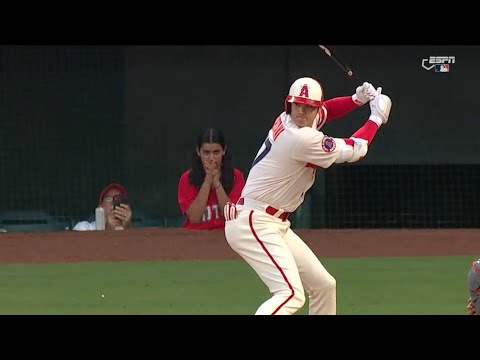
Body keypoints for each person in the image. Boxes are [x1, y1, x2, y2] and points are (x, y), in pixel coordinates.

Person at [223, 76, 392, 315]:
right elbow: (357, 149)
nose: (302, 110)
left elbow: (327, 111)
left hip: (272, 221)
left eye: (308, 106)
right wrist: (376, 118)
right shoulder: (301, 138)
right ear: (288, 104)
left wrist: (356, 99)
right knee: (290, 294)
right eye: (297, 104)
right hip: (255, 221)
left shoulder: (291, 121)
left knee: (324, 285)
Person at [177, 128, 246, 230]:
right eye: (206, 153)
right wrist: (207, 182)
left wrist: (217, 184)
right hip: (195, 237)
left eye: (216, 152)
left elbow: (231, 216)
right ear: (198, 152)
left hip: (225, 235)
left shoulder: (236, 176)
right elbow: (195, 218)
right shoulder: (186, 178)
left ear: (224, 151)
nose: (211, 158)